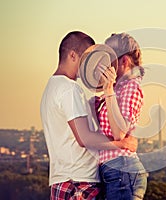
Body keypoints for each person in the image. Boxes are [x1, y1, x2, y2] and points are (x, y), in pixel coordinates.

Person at [40, 31, 137, 200]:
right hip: (79, 182)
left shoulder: (51, 88)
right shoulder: (70, 89)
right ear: (72, 55)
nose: (89, 65)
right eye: (86, 58)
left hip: (61, 180)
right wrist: (122, 144)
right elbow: (84, 138)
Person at [93, 33, 147, 200]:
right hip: (115, 171)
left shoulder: (130, 87)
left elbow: (119, 133)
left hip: (122, 170)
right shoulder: (118, 89)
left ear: (124, 61)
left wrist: (108, 90)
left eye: (110, 60)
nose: (106, 65)